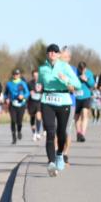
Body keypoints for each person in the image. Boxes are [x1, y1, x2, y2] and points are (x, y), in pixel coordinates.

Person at [38, 44, 81, 177]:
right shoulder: (42, 68)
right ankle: (51, 163)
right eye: (49, 52)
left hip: (63, 100)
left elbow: (78, 84)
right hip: (47, 101)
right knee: (50, 132)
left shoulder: (64, 66)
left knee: (61, 132)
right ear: (47, 54)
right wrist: (38, 87)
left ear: (58, 55)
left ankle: (59, 154)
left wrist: (66, 79)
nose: (52, 53)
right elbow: (40, 82)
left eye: (55, 52)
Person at [3, 68, 30, 144]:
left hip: (21, 104)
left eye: (17, 74)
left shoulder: (23, 83)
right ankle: (14, 137)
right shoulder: (9, 84)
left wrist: (23, 96)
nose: (16, 76)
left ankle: (19, 131)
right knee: (13, 121)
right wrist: (7, 99)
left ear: (19, 75)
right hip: (12, 104)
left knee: (19, 121)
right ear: (12, 75)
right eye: (15, 74)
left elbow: (27, 93)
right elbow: (5, 94)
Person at [74, 61, 95, 142]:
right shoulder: (75, 72)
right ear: (78, 68)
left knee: (84, 113)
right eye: (81, 69)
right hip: (77, 97)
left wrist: (86, 80)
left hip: (86, 96)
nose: (82, 71)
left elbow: (92, 84)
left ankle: (82, 133)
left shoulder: (89, 73)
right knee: (77, 116)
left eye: (84, 69)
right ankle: (78, 133)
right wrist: (78, 78)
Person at [28, 69, 44, 141]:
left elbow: (45, 91)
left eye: (37, 75)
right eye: (34, 76)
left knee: (38, 116)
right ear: (32, 76)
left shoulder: (43, 83)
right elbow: (26, 92)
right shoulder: (29, 83)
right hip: (31, 103)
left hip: (39, 102)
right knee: (32, 118)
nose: (36, 77)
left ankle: (38, 132)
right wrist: (29, 93)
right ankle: (34, 132)